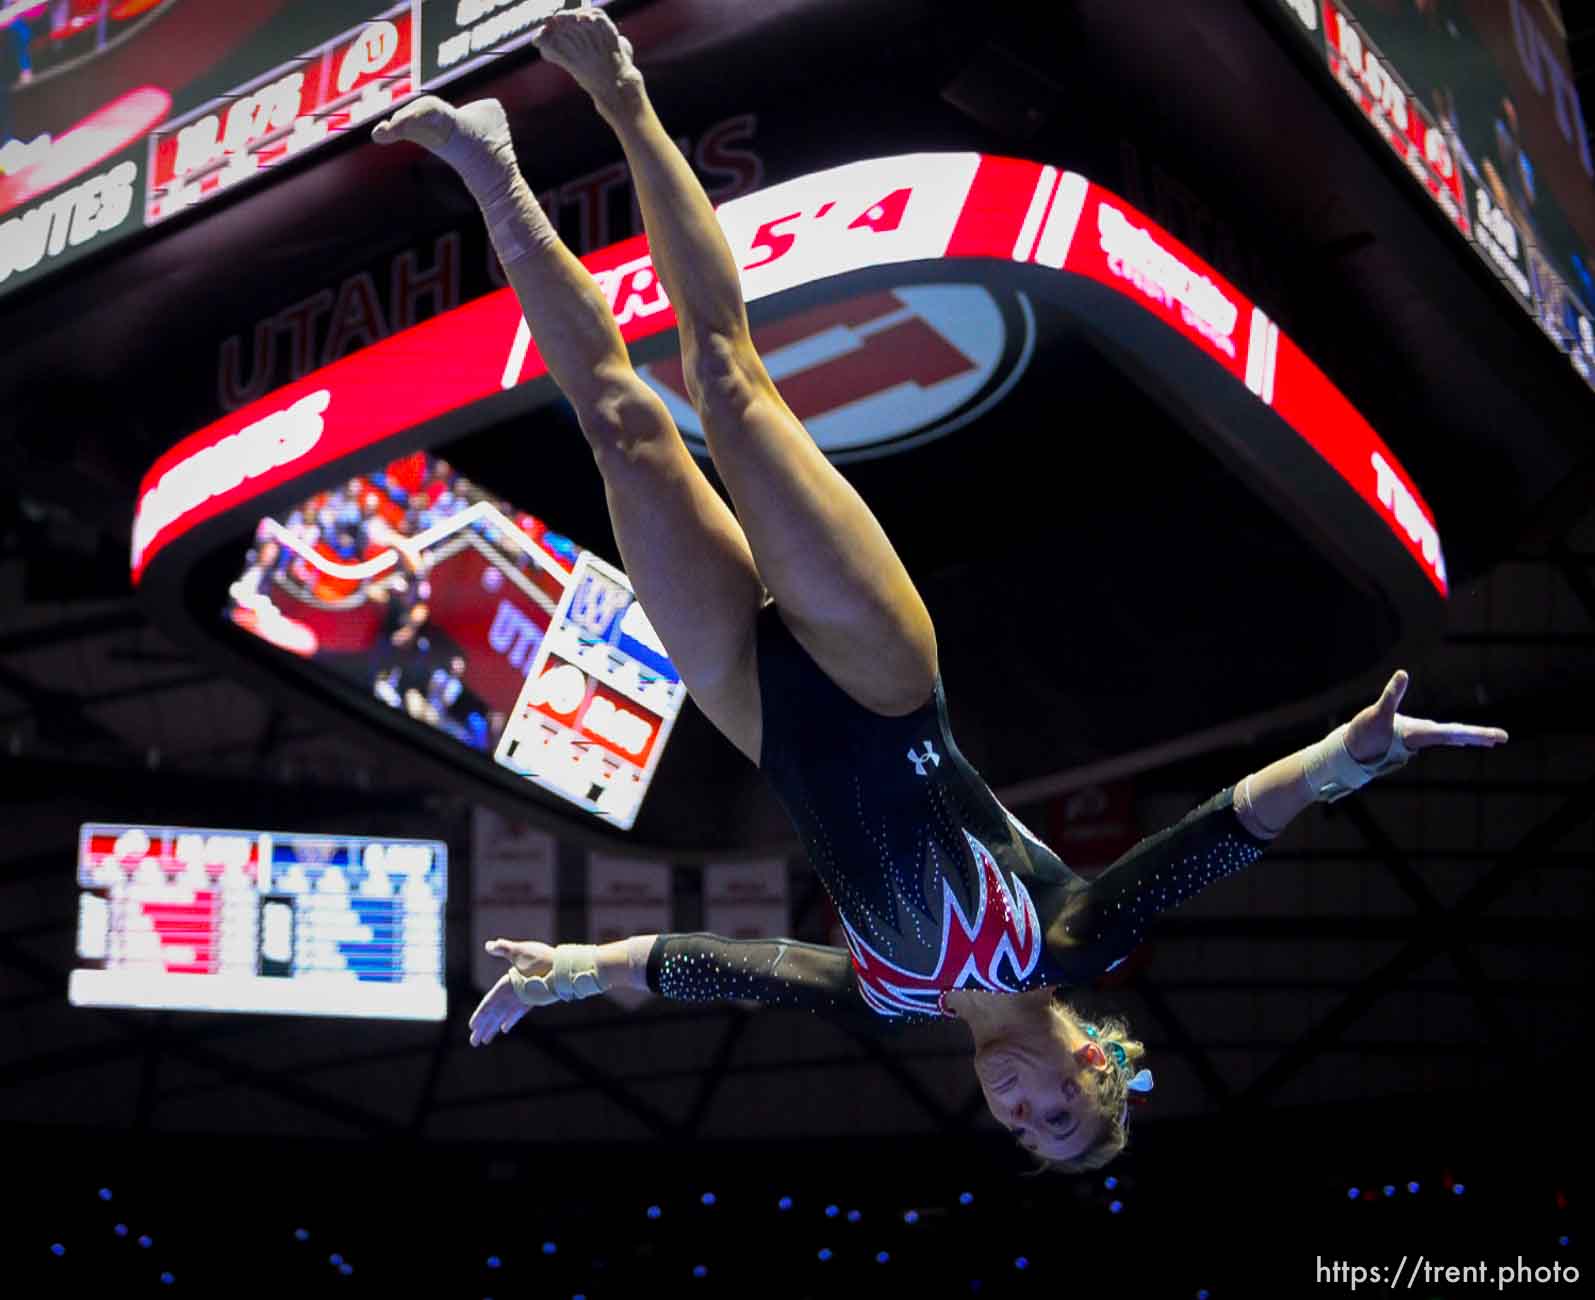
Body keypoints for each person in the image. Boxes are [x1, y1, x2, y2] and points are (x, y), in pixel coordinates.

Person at [373, 8, 1509, 1171]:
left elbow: (709, 963)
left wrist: (566, 975)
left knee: (620, 427)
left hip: (754, 712)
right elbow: (1223, 829)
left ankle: (490, 166)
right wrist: (1349, 757)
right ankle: (618, 88)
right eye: (1055, 1113)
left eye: (1020, 1131)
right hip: (880, 683)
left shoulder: (886, 1000)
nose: (1018, 1110)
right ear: (1089, 1063)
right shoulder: (1065, 939)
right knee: (724, 379)